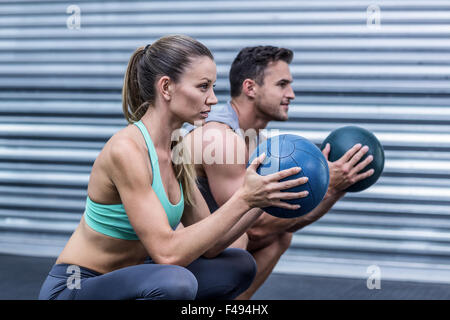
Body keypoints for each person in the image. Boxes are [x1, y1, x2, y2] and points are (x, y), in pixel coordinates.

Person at [38, 36, 309, 300]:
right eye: (203, 87)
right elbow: (167, 254)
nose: (213, 99)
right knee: (175, 282)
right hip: (78, 285)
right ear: (166, 87)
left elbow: (213, 245)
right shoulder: (127, 150)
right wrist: (244, 198)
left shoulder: (176, 149)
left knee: (238, 265)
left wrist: (262, 197)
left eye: (213, 87)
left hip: (136, 278)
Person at [183, 46, 375, 299]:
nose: (291, 94)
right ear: (250, 88)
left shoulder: (257, 140)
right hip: (171, 251)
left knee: (281, 237)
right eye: (282, 84)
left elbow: (279, 221)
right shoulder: (222, 135)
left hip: (208, 246)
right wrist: (329, 185)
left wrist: (335, 188)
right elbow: (254, 229)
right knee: (243, 241)